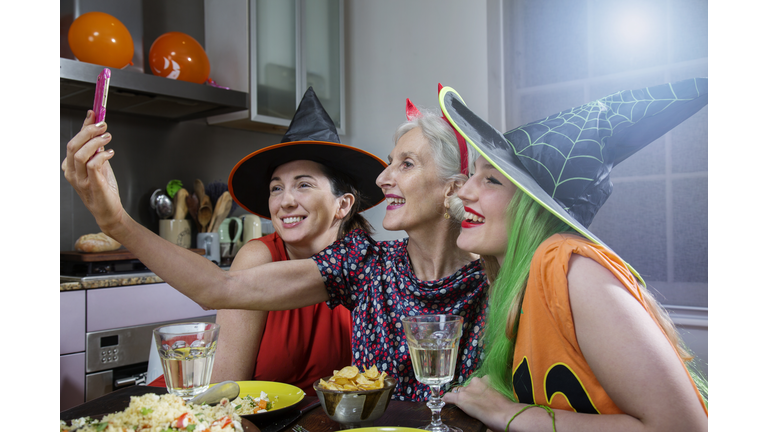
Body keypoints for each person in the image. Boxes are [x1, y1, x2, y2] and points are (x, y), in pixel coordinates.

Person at [61, 85, 488, 402]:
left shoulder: (494, 274)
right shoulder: (364, 264)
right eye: (276, 188)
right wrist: (116, 221)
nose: (382, 178)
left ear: (453, 188)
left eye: (406, 164)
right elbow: (221, 288)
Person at [439, 80, 708, 431]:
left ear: (534, 206)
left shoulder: (569, 267)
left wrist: (506, 414)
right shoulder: (516, 283)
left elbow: (684, 427)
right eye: (474, 174)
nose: (466, 191)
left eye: (492, 180)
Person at [145, 88, 384, 397]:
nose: (284, 202)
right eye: (276, 188)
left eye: (303, 185)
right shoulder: (259, 256)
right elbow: (227, 388)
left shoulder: (369, 265)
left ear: (343, 204)